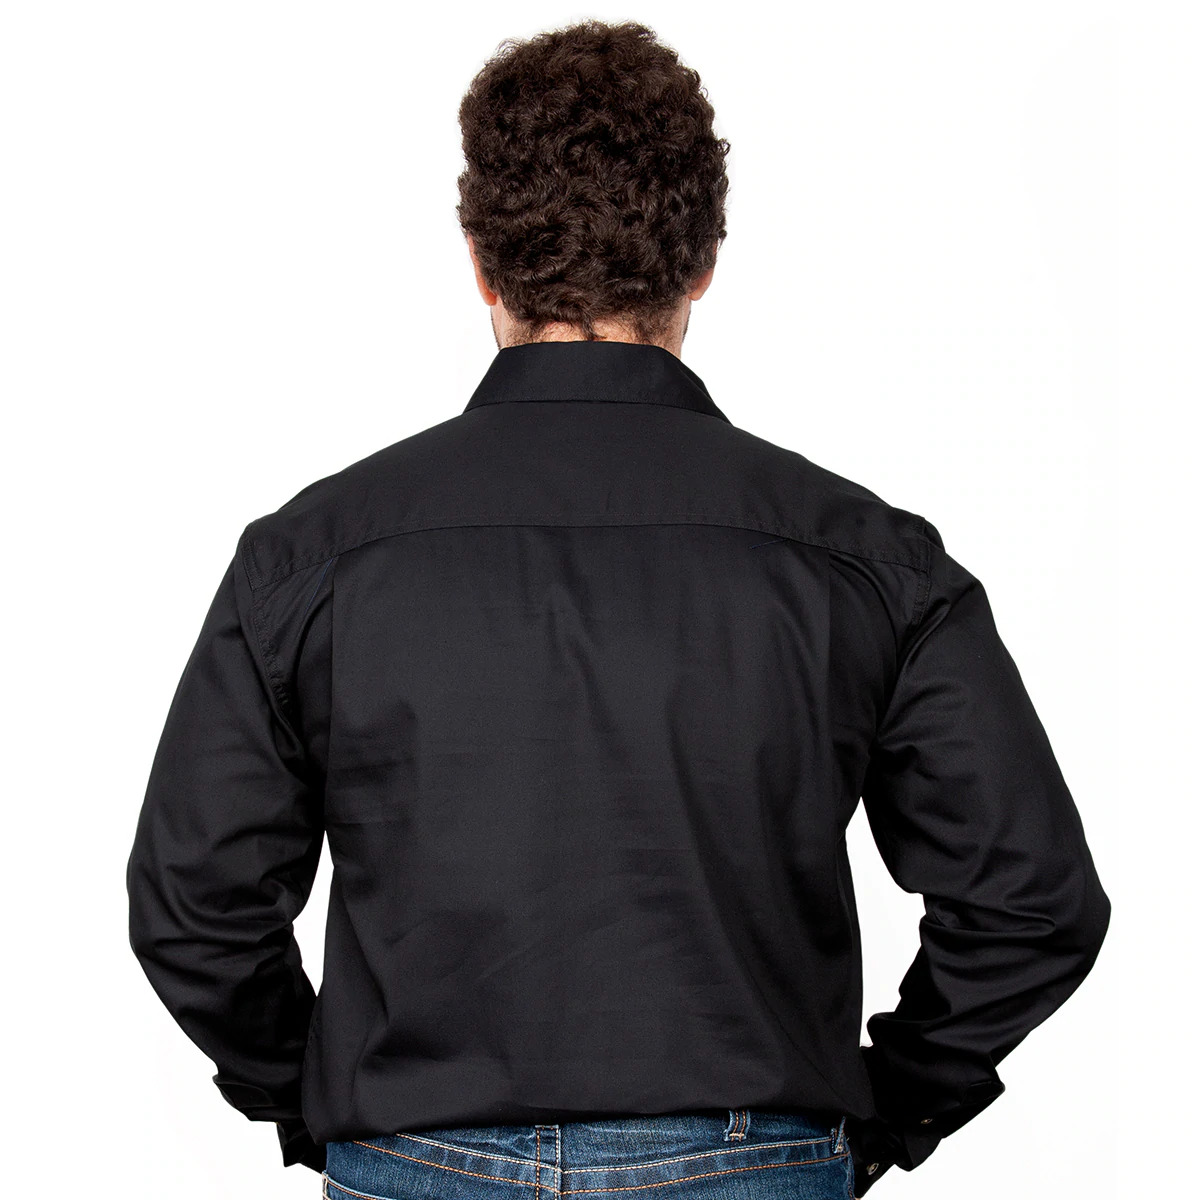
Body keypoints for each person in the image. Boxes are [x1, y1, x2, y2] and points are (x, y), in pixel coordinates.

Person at [126, 18, 1110, 1199]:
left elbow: (195, 904)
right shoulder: (868, 562)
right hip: (755, 1161)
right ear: (702, 265)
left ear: (481, 262)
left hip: (415, 1157)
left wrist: (333, 1101)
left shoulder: (313, 558)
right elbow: (1030, 900)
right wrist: (886, 1109)